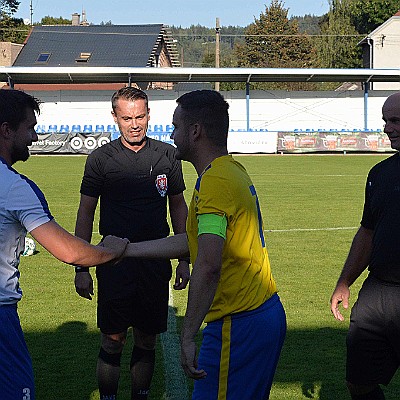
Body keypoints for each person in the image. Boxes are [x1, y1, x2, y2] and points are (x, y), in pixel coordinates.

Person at [112, 89, 287, 399]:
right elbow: (194, 244)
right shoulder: (227, 170)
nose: (172, 133)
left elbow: (207, 265)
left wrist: (188, 335)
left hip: (240, 323)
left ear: (195, 131)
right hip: (260, 315)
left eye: (176, 126)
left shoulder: (215, 184)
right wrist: (129, 249)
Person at [0, 88, 128, 400]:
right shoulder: (14, 186)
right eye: (29, 128)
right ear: (6, 130)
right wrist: (114, 249)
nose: (34, 137)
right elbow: (69, 251)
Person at [74, 87, 189, 400]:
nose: (134, 124)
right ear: (115, 118)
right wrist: (81, 267)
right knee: (113, 339)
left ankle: (141, 395)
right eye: (127, 118)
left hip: (155, 262)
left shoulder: (167, 155)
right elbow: (86, 210)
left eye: (140, 116)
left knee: (147, 339)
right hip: (113, 264)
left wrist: (184, 259)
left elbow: (178, 205)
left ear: (149, 115)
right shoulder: (100, 159)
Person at [330, 92, 400, 400]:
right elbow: (367, 233)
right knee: (358, 383)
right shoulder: (380, 174)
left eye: (396, 120)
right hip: (378, 293)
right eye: (386, 121)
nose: (388, 128)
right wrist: (344, 282)